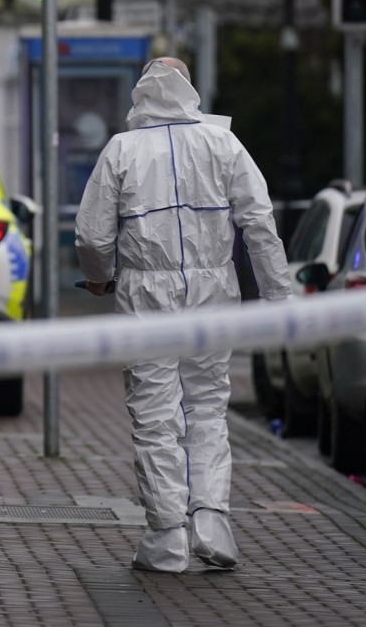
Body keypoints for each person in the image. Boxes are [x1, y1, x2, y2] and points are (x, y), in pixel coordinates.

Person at [74, 57, 292, 572]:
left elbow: (91, 233)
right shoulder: (223, 144)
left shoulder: (122, 149)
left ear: (141, 94)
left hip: (146, 291)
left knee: (154, 415)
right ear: (190, 90)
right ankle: (212, 520)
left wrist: (102, 276)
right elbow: (260, 223)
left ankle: (167, 536)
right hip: (214, 288)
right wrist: (281, 299)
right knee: (207, 407)